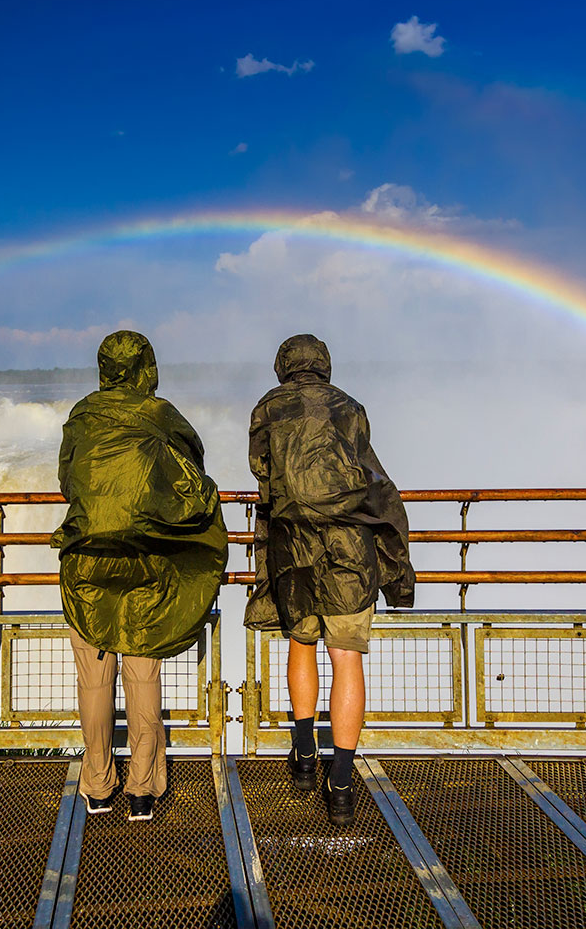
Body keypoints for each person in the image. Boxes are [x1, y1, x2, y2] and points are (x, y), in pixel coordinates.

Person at [52, 330, 228, 820]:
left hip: (87, 560)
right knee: (142, 671)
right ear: (147, 365)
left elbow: (68, 481)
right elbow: (193, 471)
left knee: (94, 678)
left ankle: (98, 784)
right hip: (147, 560)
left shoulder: (83, 415)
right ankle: (144, 788)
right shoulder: (159, 415)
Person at [245, 333, 414, 825]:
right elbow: (368, 474)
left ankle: (302, 756)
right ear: (324, 365)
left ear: (283, 366)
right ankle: (340, 781)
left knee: (301, 645)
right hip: (348, 548)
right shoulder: (351, 408)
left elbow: (261, 468)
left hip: (292, 544)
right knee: (346, 659)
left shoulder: (267, 408)